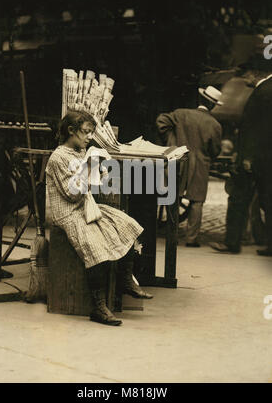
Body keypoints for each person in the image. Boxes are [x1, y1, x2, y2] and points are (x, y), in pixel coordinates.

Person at [46, 110, 153, 327]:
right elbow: (71, 193)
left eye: (90, 133)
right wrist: (89, 167)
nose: (88, 137)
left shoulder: (80, 150)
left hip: (85, 206)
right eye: (85, 132)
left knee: (126, 224)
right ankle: (99, 306)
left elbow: (90, 186)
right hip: (68, 212)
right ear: (71, 131)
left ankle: (125, 279)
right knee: (95, 247)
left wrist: (98, 170)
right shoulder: (59, 157)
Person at [210, 74, 272, 256]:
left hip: (254, 159)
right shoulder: (266, 90)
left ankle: (232, 242)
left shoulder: (263, 91)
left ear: (256, 75)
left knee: (238, 198)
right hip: (266, 159)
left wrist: (247, 158)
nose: (244, 78)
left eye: (246, 74)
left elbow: (255, 129)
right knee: (268, 202)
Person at [156, 86, 223, 247]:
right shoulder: (215, 125)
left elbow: (161, 122)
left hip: (179, 161)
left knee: (173, 197)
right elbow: (215, 150)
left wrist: (171, 141)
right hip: (200, 165)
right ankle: (192, 239)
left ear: (200, 100)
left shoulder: (181, 114)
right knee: (197, 202)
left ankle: (172, 235)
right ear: (213, 105)